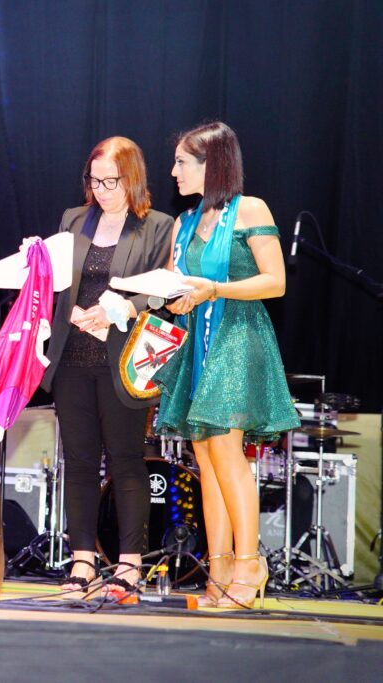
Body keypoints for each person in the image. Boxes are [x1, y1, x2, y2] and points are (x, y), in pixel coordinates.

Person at [154, 121, 299, 608]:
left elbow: (275, 281)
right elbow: (180, 286)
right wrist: (176, 298)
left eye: (181, 162)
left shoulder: (250, 210)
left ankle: (248, 563)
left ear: (211, 164)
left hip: (238, 337)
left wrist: (215, 289)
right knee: (206, 461)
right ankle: (216, 572)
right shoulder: (185, 222)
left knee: (229, 457)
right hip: (198, 342)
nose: (173, 171)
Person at [34, 137, 173, 596]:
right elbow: (56, 285)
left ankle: (130, 564)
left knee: (127, 461)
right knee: (78, 463)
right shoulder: (73, 220)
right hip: (72, 358)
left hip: (124, 362)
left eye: (112, 181)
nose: (103, 190)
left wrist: (120, 310)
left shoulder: (158, 226)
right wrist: (62, 303)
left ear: (133, 179)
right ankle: (82, 561)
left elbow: (165, 295)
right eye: (95, 181)